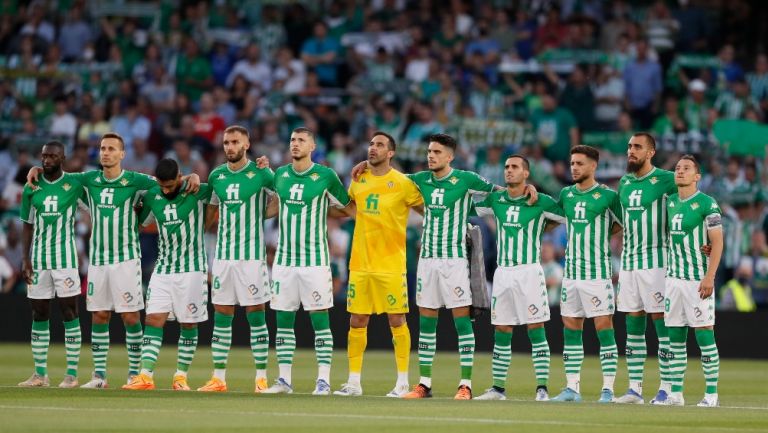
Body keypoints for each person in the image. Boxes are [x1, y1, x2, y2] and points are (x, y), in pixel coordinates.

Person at [27, 133, 200, 389]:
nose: (105, 152)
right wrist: (37, 168)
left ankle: (134, 374)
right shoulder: (88, 179)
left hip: (127, 260)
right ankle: (99, 376)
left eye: (110, 149)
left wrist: (191, 176)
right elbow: (57, 175)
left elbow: (168, 182)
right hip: (98, 260)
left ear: (122, 154)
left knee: (130, 317)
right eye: (102, 148)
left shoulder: (136, 180)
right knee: (99, 315)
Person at [400, 133, 497, 400]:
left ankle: (465, 384)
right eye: (429, 151)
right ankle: (424, 384)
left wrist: (526, 189)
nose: (431, 156)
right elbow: (388, 181)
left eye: (437, 152)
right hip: (427, 261)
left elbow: (500, 192)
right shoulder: (419, 180)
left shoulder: (466, 180)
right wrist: (365, 167)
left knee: (462, 323)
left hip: (454, 262)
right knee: (427, 324)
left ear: (450, 156)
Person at [262, 127, 353, 395]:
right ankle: (283, 381)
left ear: (312, 146)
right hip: (284, 261)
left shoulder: (325, 175)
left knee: (319, 319)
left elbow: (347, 207)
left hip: (315, 261)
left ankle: (323, 380)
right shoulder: (280, 175)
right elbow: (276, 205)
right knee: (283, 320)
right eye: (292, 139)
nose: (295, 144)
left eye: (301, 140)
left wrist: (324, 207)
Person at [333, 132, 424, 398]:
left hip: (391, 263)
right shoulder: (359, 179)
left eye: (379, 145)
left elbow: (425, 209)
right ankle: (353, 383)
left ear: (391, 152)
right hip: (361, 262)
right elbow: (351, 207)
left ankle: (403, 382)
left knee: (397, 319)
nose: (373, 148)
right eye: (371, 144)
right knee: (357, 320)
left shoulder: (403, 183)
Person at [473, 155, 566, 401]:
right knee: (502, 329)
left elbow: (563, 217)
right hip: (503, 272)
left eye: (514, 167)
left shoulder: (541, 201)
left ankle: (542, 388)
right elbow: (471, 207)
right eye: (506, 167)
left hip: (529, 271)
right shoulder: (496, 199)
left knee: (536, 328)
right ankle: (498, 389)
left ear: (526, 173)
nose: (509, 170)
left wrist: (539, 229)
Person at [197, 125, 275, 393]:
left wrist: (263, 214)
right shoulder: (217, 175)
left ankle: (261, 377)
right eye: (226, 142)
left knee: (256, 314)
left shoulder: (261, 173)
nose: (229, 147)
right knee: (222, 313)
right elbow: (210, 215)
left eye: (234, 142)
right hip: (223, 258)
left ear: (247, 144)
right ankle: (219, 377)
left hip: (251, 258)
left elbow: (283, 196)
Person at [123, 159, 213, 391]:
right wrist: (137, 209)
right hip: (163, 269)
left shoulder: (197, 189)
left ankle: (180, 376)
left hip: (192, 269)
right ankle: (145, 375)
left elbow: (220, 193)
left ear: (180, 177)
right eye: (162, 186)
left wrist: (196, 176)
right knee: (153, 319)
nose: (166, 190)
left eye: (170, 185)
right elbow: (141, 222)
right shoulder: (153, 195)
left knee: (189, 324)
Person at [551, 145, 623, 403]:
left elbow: (622, 224)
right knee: (571, 329)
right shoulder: (566, 194)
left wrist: (602, 234)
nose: (574, 168)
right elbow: (553, 216)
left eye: (580, 163)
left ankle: (608, 389)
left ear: (593, 166)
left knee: (604, 329)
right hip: (571, 275)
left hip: (597, 275)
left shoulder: (607, 196)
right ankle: (572, 388)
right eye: (572, 163)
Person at [614, 133, 678, 405]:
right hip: (628, 264)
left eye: (637, 147)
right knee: (633, 327)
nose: (631, 151)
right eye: (629, 146)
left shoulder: (667, 179)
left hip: (657, 263)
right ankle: (635, 389)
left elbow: (688, 206)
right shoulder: (624, 181)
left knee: (662, 325)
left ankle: (667, 388)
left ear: (651, 152)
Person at [18, 141, 83, 388]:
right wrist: (25, 258)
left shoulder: (76, 183)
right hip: (38, 261)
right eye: (44, 156)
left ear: (63, 158)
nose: (47, 160)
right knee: (39, 313)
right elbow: (27, 224)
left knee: (70, 312)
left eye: (53, 156)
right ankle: (40, 374)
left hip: (65, 260)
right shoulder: (31, 187)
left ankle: (71, 374)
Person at [664, 155, 724, 407]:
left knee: (703, 334)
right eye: (677, 168)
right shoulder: (670, 202)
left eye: (686, 168)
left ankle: (711, 394)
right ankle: (676, 393)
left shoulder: (707, 204)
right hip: (673, 280)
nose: (680, 171)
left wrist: (709, 277)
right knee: (675, 336)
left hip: (696, 280)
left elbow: (718, 241)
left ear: (697, 176)